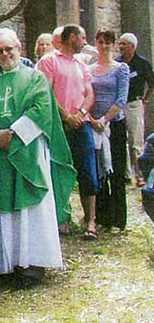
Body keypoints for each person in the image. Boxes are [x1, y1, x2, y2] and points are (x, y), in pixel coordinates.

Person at [0, 28, 75, 285]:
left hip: (28, 150)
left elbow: (41, 109)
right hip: (2, 154)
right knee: (8, 209)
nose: (5, 54)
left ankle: (34, 264)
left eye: (9, 49)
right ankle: (12, 265)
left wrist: (14, 133)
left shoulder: (35, 78)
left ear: (19, 48)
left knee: (32, 208)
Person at [37, 24, 98, 238]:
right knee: (59, 172)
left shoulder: (81, 64)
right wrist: (67, 116)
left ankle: (91, 221)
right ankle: (62, 218)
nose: (85, 41)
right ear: (72, 38)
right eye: (83, 37)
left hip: (82, 125)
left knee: (88, 171)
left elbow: (89, 93)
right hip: (59, 127)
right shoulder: (49, 61)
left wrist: (80, 114)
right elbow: (45, 93)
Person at [90, 29, 130, 230]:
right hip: (94, 125)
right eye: (100, 42)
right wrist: (91, 119)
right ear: (95, 43)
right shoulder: (89, 69)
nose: (104, 46)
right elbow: (86, 96)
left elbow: (121, 100)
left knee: (116, 170)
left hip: (113, 125)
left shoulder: (120, 68)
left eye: (108, 42)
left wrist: (104, 119)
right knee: (99, 172)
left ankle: (118, 219)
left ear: (113, 45)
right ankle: (102, 217)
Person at [116, 32, 154, 187]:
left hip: (134, 104)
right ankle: (126, 175)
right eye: (120, 44)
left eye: (124, 44)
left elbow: (152, 83)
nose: (121, 47)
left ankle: (140, 175)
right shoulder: (117, 63)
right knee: (121, 140)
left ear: (132, 46)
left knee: (135, 141)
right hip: (119, 105)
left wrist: (145, 100)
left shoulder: (142, 63)